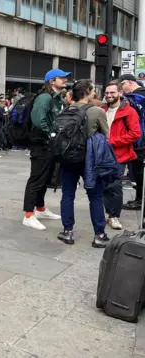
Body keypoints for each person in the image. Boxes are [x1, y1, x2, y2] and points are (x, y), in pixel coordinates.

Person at [57, 79, 110, 247]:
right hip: (90, 159)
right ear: (87, 90)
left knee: (67, 195)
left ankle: (68, 232)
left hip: (68, 158)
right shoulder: (97, 111)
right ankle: (99, 235)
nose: (94, 93)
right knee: (95, 197)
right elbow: (107, 136)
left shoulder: (66, 110)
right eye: (93, 90)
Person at [21, 69, 68, 231]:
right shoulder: (45, 98)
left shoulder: (56, 98)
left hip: (48, 144)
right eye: (61, 78)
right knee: (36, 179)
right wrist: (52, 134)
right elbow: (38, 120)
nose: (65, 80)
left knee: (44, 178)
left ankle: (40, 209)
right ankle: (28, 215)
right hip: (41, 144)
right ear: (51, 81)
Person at [102, 80, 141, 230]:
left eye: (112, 92)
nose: (109, 95)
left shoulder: (129, 111)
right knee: (105, 184)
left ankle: (114, 215)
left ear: (120, 93)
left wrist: (113, 141)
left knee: (115, 185)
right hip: (103, 153)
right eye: (107, 93)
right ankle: (108, 213)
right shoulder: (101, 109)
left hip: (120, 154)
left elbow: (135, 134)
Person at [117, 74, 145, 211]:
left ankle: (140, 200)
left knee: (139, 172)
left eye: (122, 85)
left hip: (139, 142)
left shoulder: (137, 97)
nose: (121, 89)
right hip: (140, 140)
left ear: (129, 82)